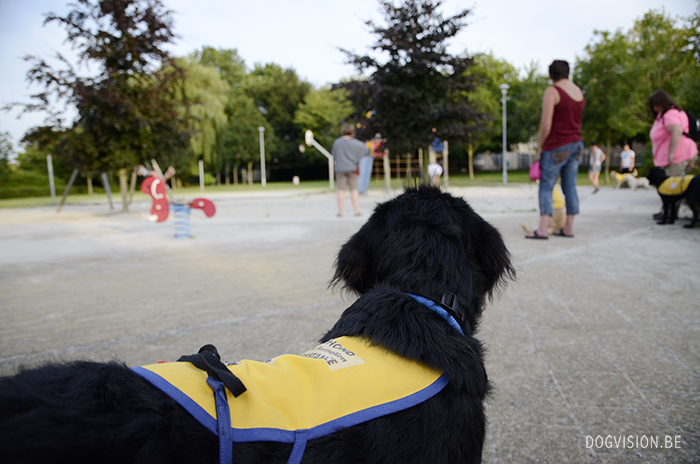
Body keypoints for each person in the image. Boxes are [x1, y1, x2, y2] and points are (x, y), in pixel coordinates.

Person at [526, 60, 585, 239]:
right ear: (568, 72)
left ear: (551, 75)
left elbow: (546, 123)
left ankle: (543, 229)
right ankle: (568, 228)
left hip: (558, 145)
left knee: (546, 186)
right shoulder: (578, 92)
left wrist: (542, 146)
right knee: (570, 187)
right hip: (577, 144)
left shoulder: (553, 91)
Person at [648, 90, 698, 177]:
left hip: (678, 157)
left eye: (657, 105)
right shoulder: (664, 115)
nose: (655, 108)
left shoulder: (670, 114)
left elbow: (677, 131)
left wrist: (671, 153)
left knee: (674, 186)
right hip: (670, 159)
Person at [331, 123, 369, 216]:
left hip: (340, 169)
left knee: (341, 190)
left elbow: (334, 156)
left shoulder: (337, 143)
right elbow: (366, 150)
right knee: (354, 190)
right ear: (352, 132)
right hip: (353, 168)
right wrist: (357, 158)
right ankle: (356, 211)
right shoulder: (356, 143)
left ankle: (340, 212)